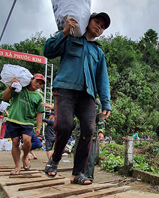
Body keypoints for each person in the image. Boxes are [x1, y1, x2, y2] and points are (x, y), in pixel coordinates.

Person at [43, 12, 112, 185]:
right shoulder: (70, 38)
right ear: (88, 22)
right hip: (66, 89)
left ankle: (77, 173)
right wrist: (65, 31)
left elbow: (102, 80)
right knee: (64, 125)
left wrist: (106, 103)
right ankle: (55, 158)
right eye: (97, 22)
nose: (99, 27)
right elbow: (48, 52)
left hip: (88, 95)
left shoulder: (98, 52)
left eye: (102, 27)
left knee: (88, 130)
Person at [2, 74, 45, 175]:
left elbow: (39, 113)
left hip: (28, 122)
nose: (38, 84)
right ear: (31, 80)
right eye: (37, 81)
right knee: (15, 142)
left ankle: (25, 156)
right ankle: (17, 166)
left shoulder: (39, 96)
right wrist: (11, 86)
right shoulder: (19, 88)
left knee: (27, 141)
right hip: (13, 120)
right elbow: (5, 97)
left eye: (41, 84)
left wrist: (38, 127)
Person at [73, 99, 105, 181]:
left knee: (90, 157)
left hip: (91, 134)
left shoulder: (96, 103)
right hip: (79, 133)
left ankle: (88, 177)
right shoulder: (77, 99)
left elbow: (100, 118)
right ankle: (77, 175)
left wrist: (101, 132)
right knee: (77, 155)